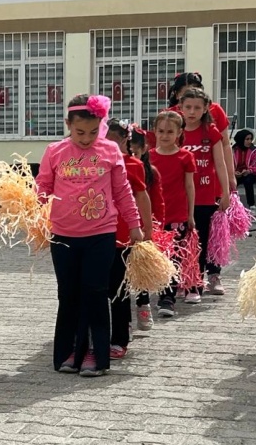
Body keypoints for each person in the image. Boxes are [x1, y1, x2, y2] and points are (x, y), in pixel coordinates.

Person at [36, 94, 142, 377]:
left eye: (93, 132)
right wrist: (33, 211)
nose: (86, 138)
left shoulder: (109, 151)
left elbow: (122, 192)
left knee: (96, 292)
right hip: (63, 236)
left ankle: (96, 353)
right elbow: (43, 185)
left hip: (101, 234)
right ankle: (70, 351)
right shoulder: (55, 151)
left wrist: (134, 224)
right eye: (80, 132)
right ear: (68, 124)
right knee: (68, 294)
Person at [104, 120, 154, 360]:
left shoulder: (133, 165)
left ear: (125, 140)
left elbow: (143, 197)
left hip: (123, 235)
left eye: (112, 140)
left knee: (119, 288)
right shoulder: (96, 163)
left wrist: (147, 230)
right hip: (97, 232)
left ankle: (120, 336)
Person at [179, 88, 230, 300]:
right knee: (181, 241)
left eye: (197, 107)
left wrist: (226, 192)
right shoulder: (175, 131)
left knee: (199, 240)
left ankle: (196, 283)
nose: (192, 111)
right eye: (188, 107)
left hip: (205, 196)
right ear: (180, 108)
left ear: (206, 109)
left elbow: (220, 163)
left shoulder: (211, 132)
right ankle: (179, 281)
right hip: (179, 197)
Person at [147, 111, 196, 319]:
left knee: (174, 256)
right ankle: (157, 291)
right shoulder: (149, 156)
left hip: (177, 214)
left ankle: (168, 298)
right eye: (161, 131)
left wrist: (191, 214)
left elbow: (189, 186)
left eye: (169, 131)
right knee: (157, 256)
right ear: (155, 132)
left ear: (179, 133)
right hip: (155, 216)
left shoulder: (185, 157)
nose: (165, 135)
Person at [165, 72, 236, 215]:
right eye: (185, 93)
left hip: (208, 181)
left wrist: (230, 175)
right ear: (178, 96)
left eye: (195, 89)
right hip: (179, 183)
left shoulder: (215, 111)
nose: (192, 111)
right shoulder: (170, 116)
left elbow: (225, 145)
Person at [129, 127, 164, 330]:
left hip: (143, 229)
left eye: (136, 151)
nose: (132, 155)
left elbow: (157, 202)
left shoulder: (151, 173)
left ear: (144, 149)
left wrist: (155, 227)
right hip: (121, 229)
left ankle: (143, 304)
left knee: (141, 272)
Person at [232, 129, 256, 208]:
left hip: (251, 173)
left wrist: (249, 171)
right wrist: (234, 172)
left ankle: (251, 205)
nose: (250, 141)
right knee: (231, 182)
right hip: (237, 173)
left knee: (248, 181)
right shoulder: (233, 150)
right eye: (247, 139)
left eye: (250, 139)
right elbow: (229, 163)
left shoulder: (254, 150)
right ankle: (232, 204)